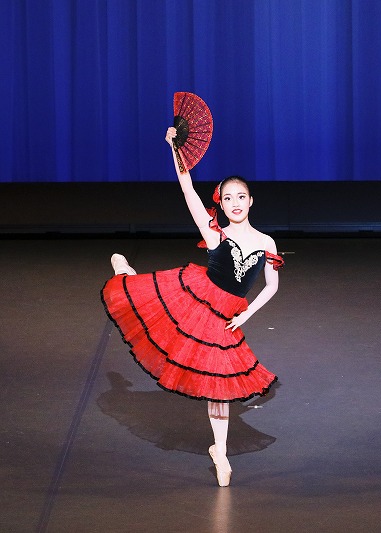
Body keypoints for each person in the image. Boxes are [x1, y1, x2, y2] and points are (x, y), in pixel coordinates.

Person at [101, 127, 284, 487]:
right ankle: (124, 271)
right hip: (196, 299)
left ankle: (220, 451)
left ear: (251, 201)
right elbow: (187, 188)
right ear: (221, 203)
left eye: (241, 196)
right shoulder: (214, 232)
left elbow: (272, 285)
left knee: (219, 386)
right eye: (228, 197)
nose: (235, 202)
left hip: (227, 317)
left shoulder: (267, 242)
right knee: (141, 299)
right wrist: (176, 150)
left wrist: (246, 313)